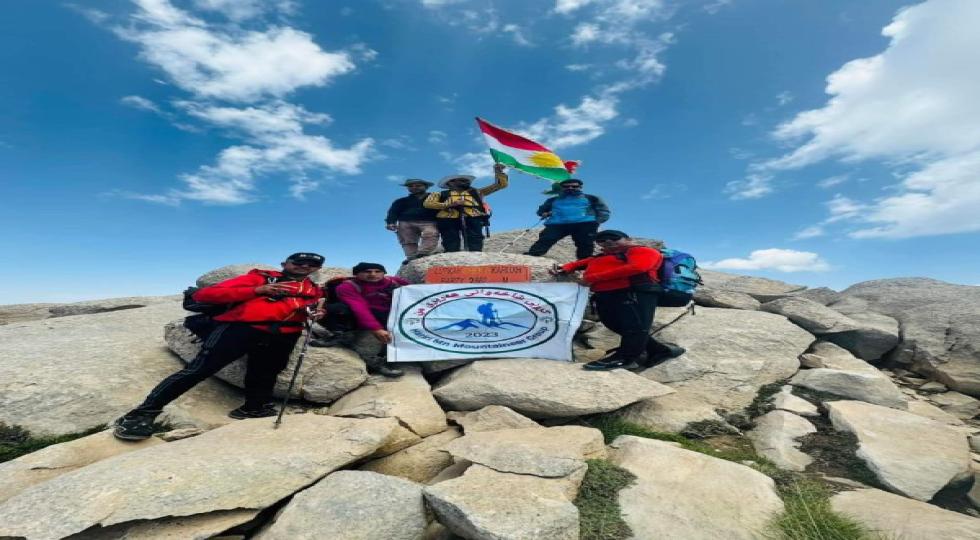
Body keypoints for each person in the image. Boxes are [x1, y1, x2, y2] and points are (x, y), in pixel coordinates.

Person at [113, 253, 326, 440]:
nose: (305, 267)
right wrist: (258, 290)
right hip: (240, 329)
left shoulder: (312, 289)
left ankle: (253, 408)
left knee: (266, 373)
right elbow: (205, 295)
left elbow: (307, 310)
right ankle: (141, 414)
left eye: (311, 265)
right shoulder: (259, 277)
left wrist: (317, 313)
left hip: (285, 334)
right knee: (198, 370)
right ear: (285, 263)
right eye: (299, 262)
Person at [552, 230, 684, 370]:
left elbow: (638, 267)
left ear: (628, 239)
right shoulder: (604, 256)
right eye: (601, 240)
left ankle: (626, 359)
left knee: (635, 327)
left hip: (635, 292)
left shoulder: (643, 251)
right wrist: (566, 267)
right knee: (613, 323)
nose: (607, 241)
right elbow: (583, 262)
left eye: (614, 238)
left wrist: (591, 278)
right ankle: (659, 351)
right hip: (607, 294)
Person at [335, 262, 409, 378]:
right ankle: (341, 335)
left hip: (391, 313)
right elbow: (359, 307)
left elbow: (416, 290)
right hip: (362, 315)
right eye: (367, 272)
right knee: (339, 309)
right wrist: (376, 328)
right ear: (356, 274)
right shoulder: (347, 286)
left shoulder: (394, 281)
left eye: (378, 271)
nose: (373, 274)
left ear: (384, 273)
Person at [423, 163, 509, 252]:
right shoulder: (439, 194)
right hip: (447, 218)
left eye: (465, 180)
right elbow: (428, 203)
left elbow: (500, 185)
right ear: (450, 183)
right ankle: (452, 255)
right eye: (461, 180)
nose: (466, 182)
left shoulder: (478, 192)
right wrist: (448, 205)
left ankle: (475, 255)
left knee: (475, 237)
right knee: (450, 238)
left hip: (474, 217)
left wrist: (499, 172)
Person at [526, 179, 610, 260]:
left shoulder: (591, 198)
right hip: (557, 224)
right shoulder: (553, 200)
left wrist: (596, 222)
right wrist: (544, 213)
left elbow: (603, 210)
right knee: (546, 238)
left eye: (574, 186)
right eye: (566, 186)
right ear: (562, 188)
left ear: (580, 187)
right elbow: (541, 211)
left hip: (584, 224)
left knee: (585, 243)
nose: (570, 188)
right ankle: (532, 256)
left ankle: (583, 263)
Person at [385, 179, 440, 263]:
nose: (414, 187)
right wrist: (390, 222)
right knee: (407, 240)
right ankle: (411, 257)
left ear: (426, 187)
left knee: (431, 233)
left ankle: (424, 253)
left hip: (429, 221)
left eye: (418, 185)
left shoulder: (436, 198)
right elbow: (393, 212)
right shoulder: (400, 201)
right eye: (410, 186)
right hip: (405, 222)